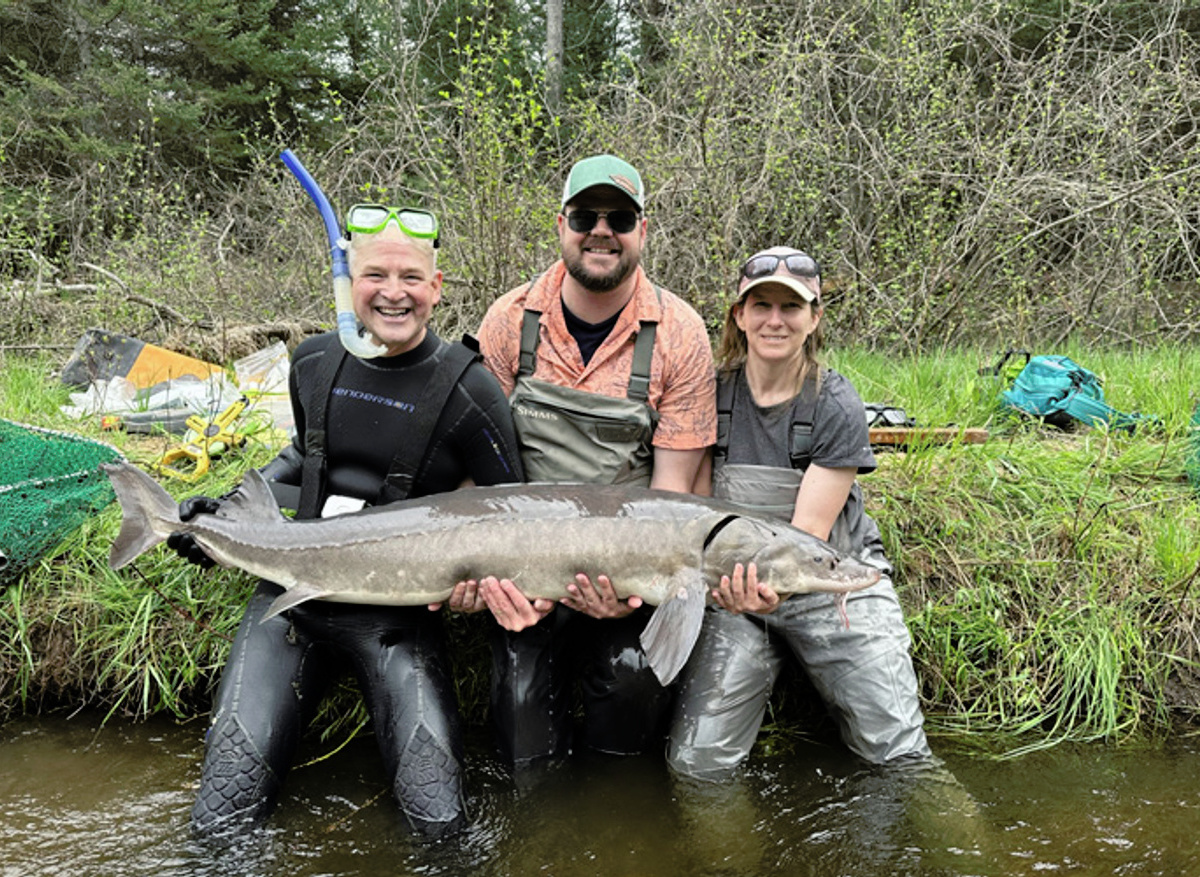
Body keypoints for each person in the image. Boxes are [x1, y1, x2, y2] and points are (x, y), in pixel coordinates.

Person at [169, 204, 524, 838]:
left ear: (436, 288)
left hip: (399, 618)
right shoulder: (311, 361)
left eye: (411, 277)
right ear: (349, 281)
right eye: (376, 275)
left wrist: (481, 588)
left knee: (441, 827)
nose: (393, 293)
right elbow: (305, 462)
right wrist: (220, 512)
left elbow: (512, 518)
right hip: (289, 604)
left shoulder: (473, 392)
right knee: (219, 818)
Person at [467, 154, 717, 767]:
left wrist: (630, 595)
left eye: (619, 217)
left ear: (642, 230)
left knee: (633, 687)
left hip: (625, 571)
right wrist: (500, 582)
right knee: (520, 727)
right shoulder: (508, 320)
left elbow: (674, 498)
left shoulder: (681, 334)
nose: (601, 230)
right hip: (520, 561)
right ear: (561, 225)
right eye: (585, 215)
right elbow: (480, 468)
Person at [667, 246, 932, 780]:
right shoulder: (708, 395)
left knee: (899, 754)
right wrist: (729, 594)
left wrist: (762, 587)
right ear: (738, 316)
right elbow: (693, 512)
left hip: (832, 581)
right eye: (760, 305)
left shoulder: (834, 403)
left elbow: (807, 539)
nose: (774, 320)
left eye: (790, 308)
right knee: (697, 766)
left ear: (814, 319)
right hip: (735, 593)